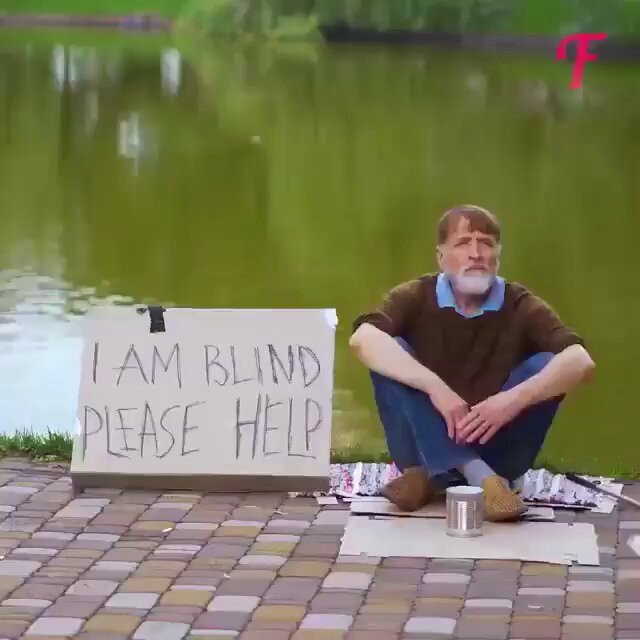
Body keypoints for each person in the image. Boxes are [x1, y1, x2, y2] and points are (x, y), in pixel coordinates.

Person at [349, 205, 595, 521]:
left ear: (497, 256)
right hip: (418, 447)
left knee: (549, 364)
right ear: (441, 256)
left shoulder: (520, 303)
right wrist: (434, 386)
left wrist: (511, 400)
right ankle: (480, 478)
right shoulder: (416, 295)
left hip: (499, 451)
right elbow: (362, 339)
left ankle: (432, 477)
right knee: (390, 349)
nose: (476, 254)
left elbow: (580, 360)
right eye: (463, 243)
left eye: (486, 243)